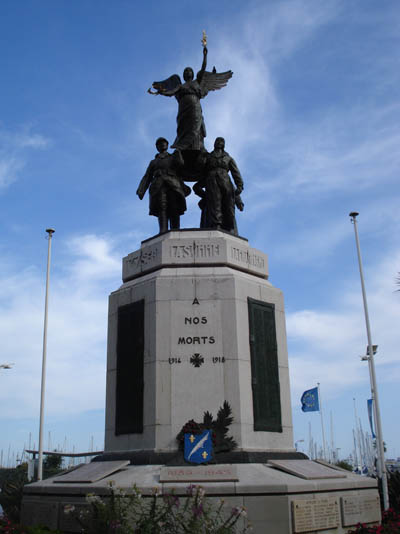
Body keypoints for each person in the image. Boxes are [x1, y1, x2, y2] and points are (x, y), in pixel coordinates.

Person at [136, 138, 190, 234]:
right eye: (159, 144)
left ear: (167, 145)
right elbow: (147, 176)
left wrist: (178, 153)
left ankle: (175, 229)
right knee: (162, 206)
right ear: (157, 147)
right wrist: (141, 190)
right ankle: (163, 230)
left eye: (164, 143)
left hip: (173, 184)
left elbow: (180, 165)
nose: (162, 145)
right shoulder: (153, 162)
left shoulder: (173, 157)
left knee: (174, 206)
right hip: (158, 185)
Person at [193, 137, 244, 235]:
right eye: (217, 141)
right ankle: (217, 225)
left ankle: (229, 226)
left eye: (221, 142)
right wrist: (202, 156)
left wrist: (239, 185)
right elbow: (200, 167)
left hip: (225, 181)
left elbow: (235, 172)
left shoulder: (228, 158)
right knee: (215, 203)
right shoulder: (208, 156)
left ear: (223, 144)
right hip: (211, 181)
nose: (219, 143)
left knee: (228, 205)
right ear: (214, 143)